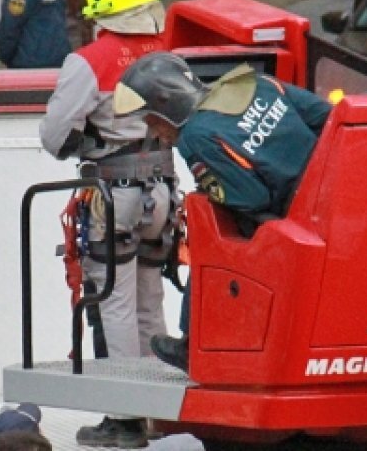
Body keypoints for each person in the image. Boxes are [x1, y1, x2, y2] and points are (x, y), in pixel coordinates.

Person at [113, 51, 332, 373]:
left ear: (166, 104)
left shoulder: (195, 137)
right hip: (333, 200)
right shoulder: (257, 83)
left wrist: (213, 194)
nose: (157, 135)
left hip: (288, 225)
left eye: (153, 122)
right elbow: (324, 117)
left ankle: (193, 343)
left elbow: (249, 197)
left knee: (209, 225)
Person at [38, 0, 173, 449]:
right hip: (162, 194)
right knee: (149, 303)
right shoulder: (165, 49)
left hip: (112, 196)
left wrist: (88, 137)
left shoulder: (90, 61)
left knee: (112, 305)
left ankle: (124, 419)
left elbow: (54, 138)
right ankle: (158, 410)